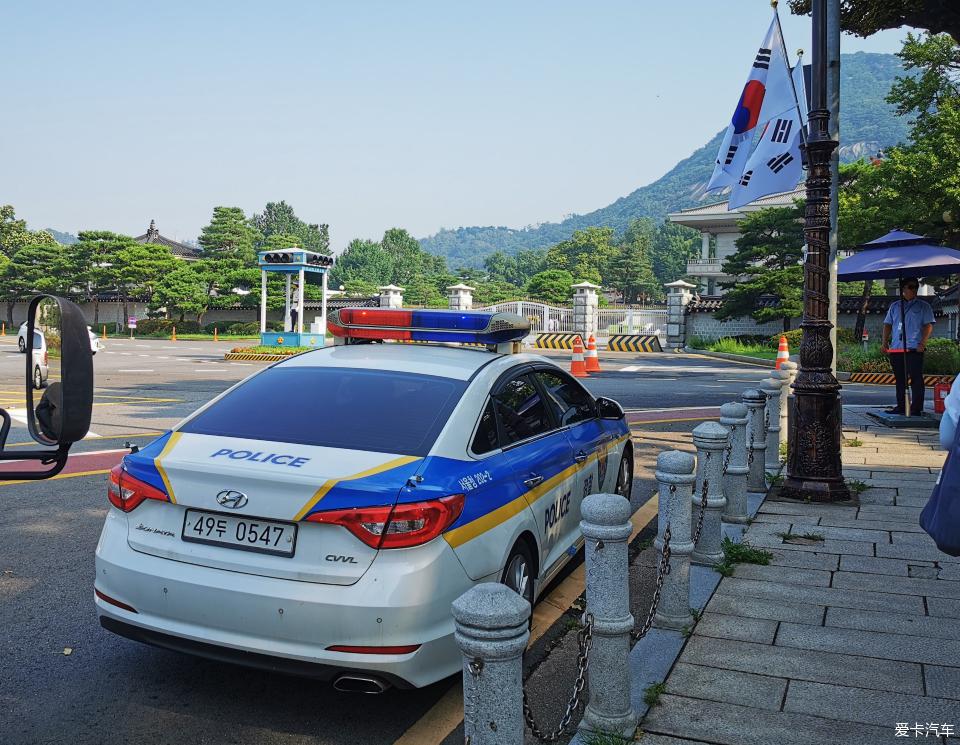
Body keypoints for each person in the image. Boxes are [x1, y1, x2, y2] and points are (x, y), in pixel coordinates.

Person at [881, 277, 935, 416]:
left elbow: (928, 325)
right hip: (897, 348)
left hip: (913, 348)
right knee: (900, 379)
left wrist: (923, 343)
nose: (913, 289)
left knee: (916, 379)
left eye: (915, 287)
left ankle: (916, 408)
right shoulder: (895, 306)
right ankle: (901, 406)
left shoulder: (923, 306)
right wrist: (884, 342)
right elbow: (887, 324)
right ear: (903, 289)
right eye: (910, 287)